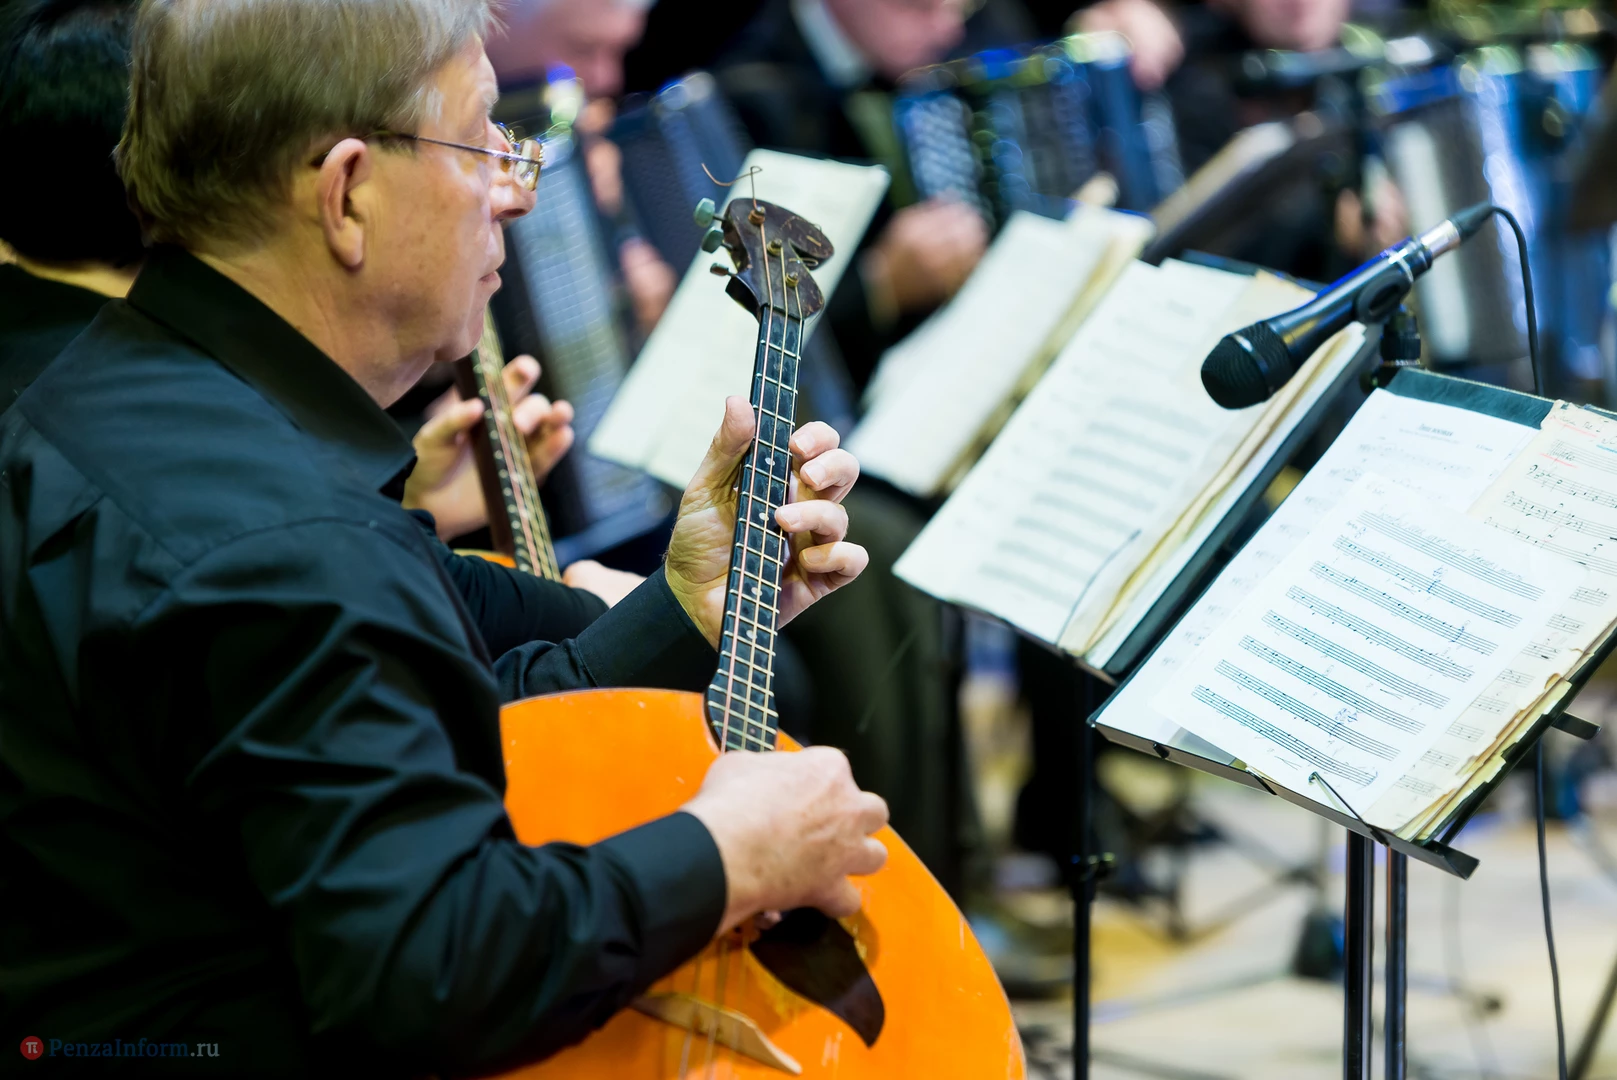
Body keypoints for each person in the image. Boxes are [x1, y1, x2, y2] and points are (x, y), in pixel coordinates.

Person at [0, 1, 884, 1073]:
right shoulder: (284, 530)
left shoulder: (125, 392)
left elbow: (431, 720)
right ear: (347, 195)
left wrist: (692, 600)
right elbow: (430, 969)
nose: (515, 188)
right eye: (480, 142)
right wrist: (730, 853)